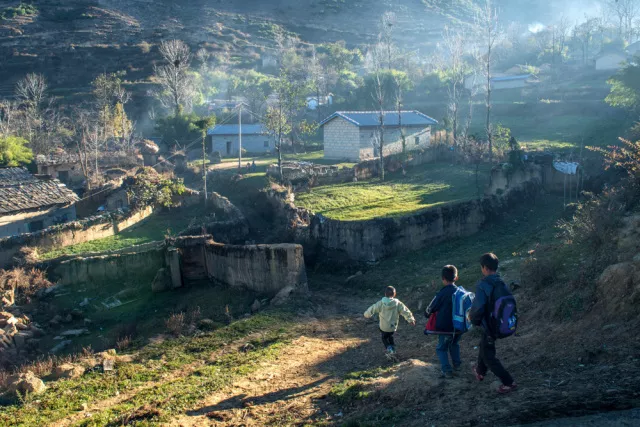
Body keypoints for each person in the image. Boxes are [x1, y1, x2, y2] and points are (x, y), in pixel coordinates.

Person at [469, 253, 518, 394]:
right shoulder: (501, 282)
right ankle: (480, 371)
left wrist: (473, 320)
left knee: (488, 355)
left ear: (484, 268)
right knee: (484, 345)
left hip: (490, 324)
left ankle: (509, 382)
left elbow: (478, 307)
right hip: (499, 321)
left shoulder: (484, 284)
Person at [425, 265, 462, 378]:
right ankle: (458, 365)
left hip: (445, 328)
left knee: (441, 348)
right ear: (456, 278)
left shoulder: (442, 293)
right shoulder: (460, 291)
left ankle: (447, 370)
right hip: (459, 327)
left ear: (443, 279)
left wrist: (426, 314)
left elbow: (431, 308)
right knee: (454, 344)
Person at [364, 286, 415, 359]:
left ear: (385, 294)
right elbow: (405, 311)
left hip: (383, 327)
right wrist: (411, 319)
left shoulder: (380, 303)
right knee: (391, 336)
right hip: (393, 326)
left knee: (384, 338)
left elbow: (372, 309)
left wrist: (366, 315)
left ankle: (389, 349)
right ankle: (393, 348)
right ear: (394, 294)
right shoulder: (398, 304)